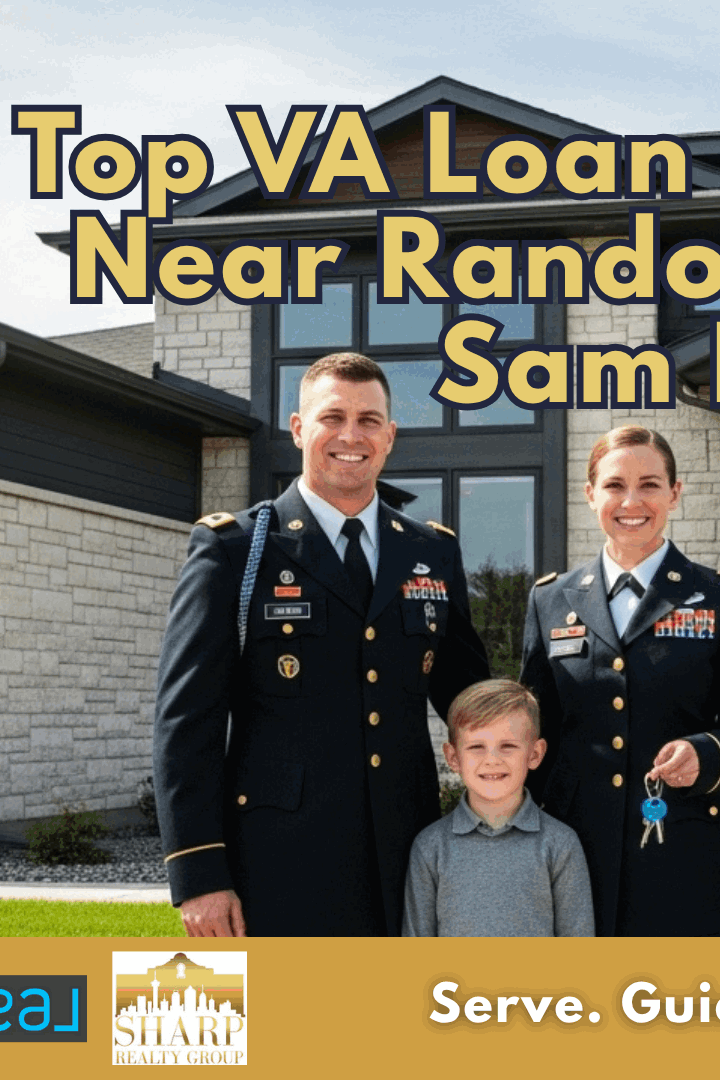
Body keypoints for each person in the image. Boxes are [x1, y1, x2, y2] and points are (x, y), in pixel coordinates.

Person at [153, 352, 490, 937]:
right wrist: (199, 872)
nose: (350, 436)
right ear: (298, 428)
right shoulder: (234, 550)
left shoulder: (430, 552)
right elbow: (187, 723)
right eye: (332, 417)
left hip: (406, 853)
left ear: (389, 436)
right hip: (279, 861)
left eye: (368, 420)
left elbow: (473, 702)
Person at [520, 424, 720, 936]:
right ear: (591, 495)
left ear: (675, 494)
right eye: (614, 485)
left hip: (686, 858)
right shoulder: (551, 599)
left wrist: (705, 754)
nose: (631, 500)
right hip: (576, 855)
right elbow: (533, 735)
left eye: (650, 484)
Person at [401, 679, 593, 937]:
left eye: (508, 746)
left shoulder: (560, 844)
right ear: (453, 757)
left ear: (535, 754)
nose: (492, 760)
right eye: (476, 747)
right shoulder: (430, 847)